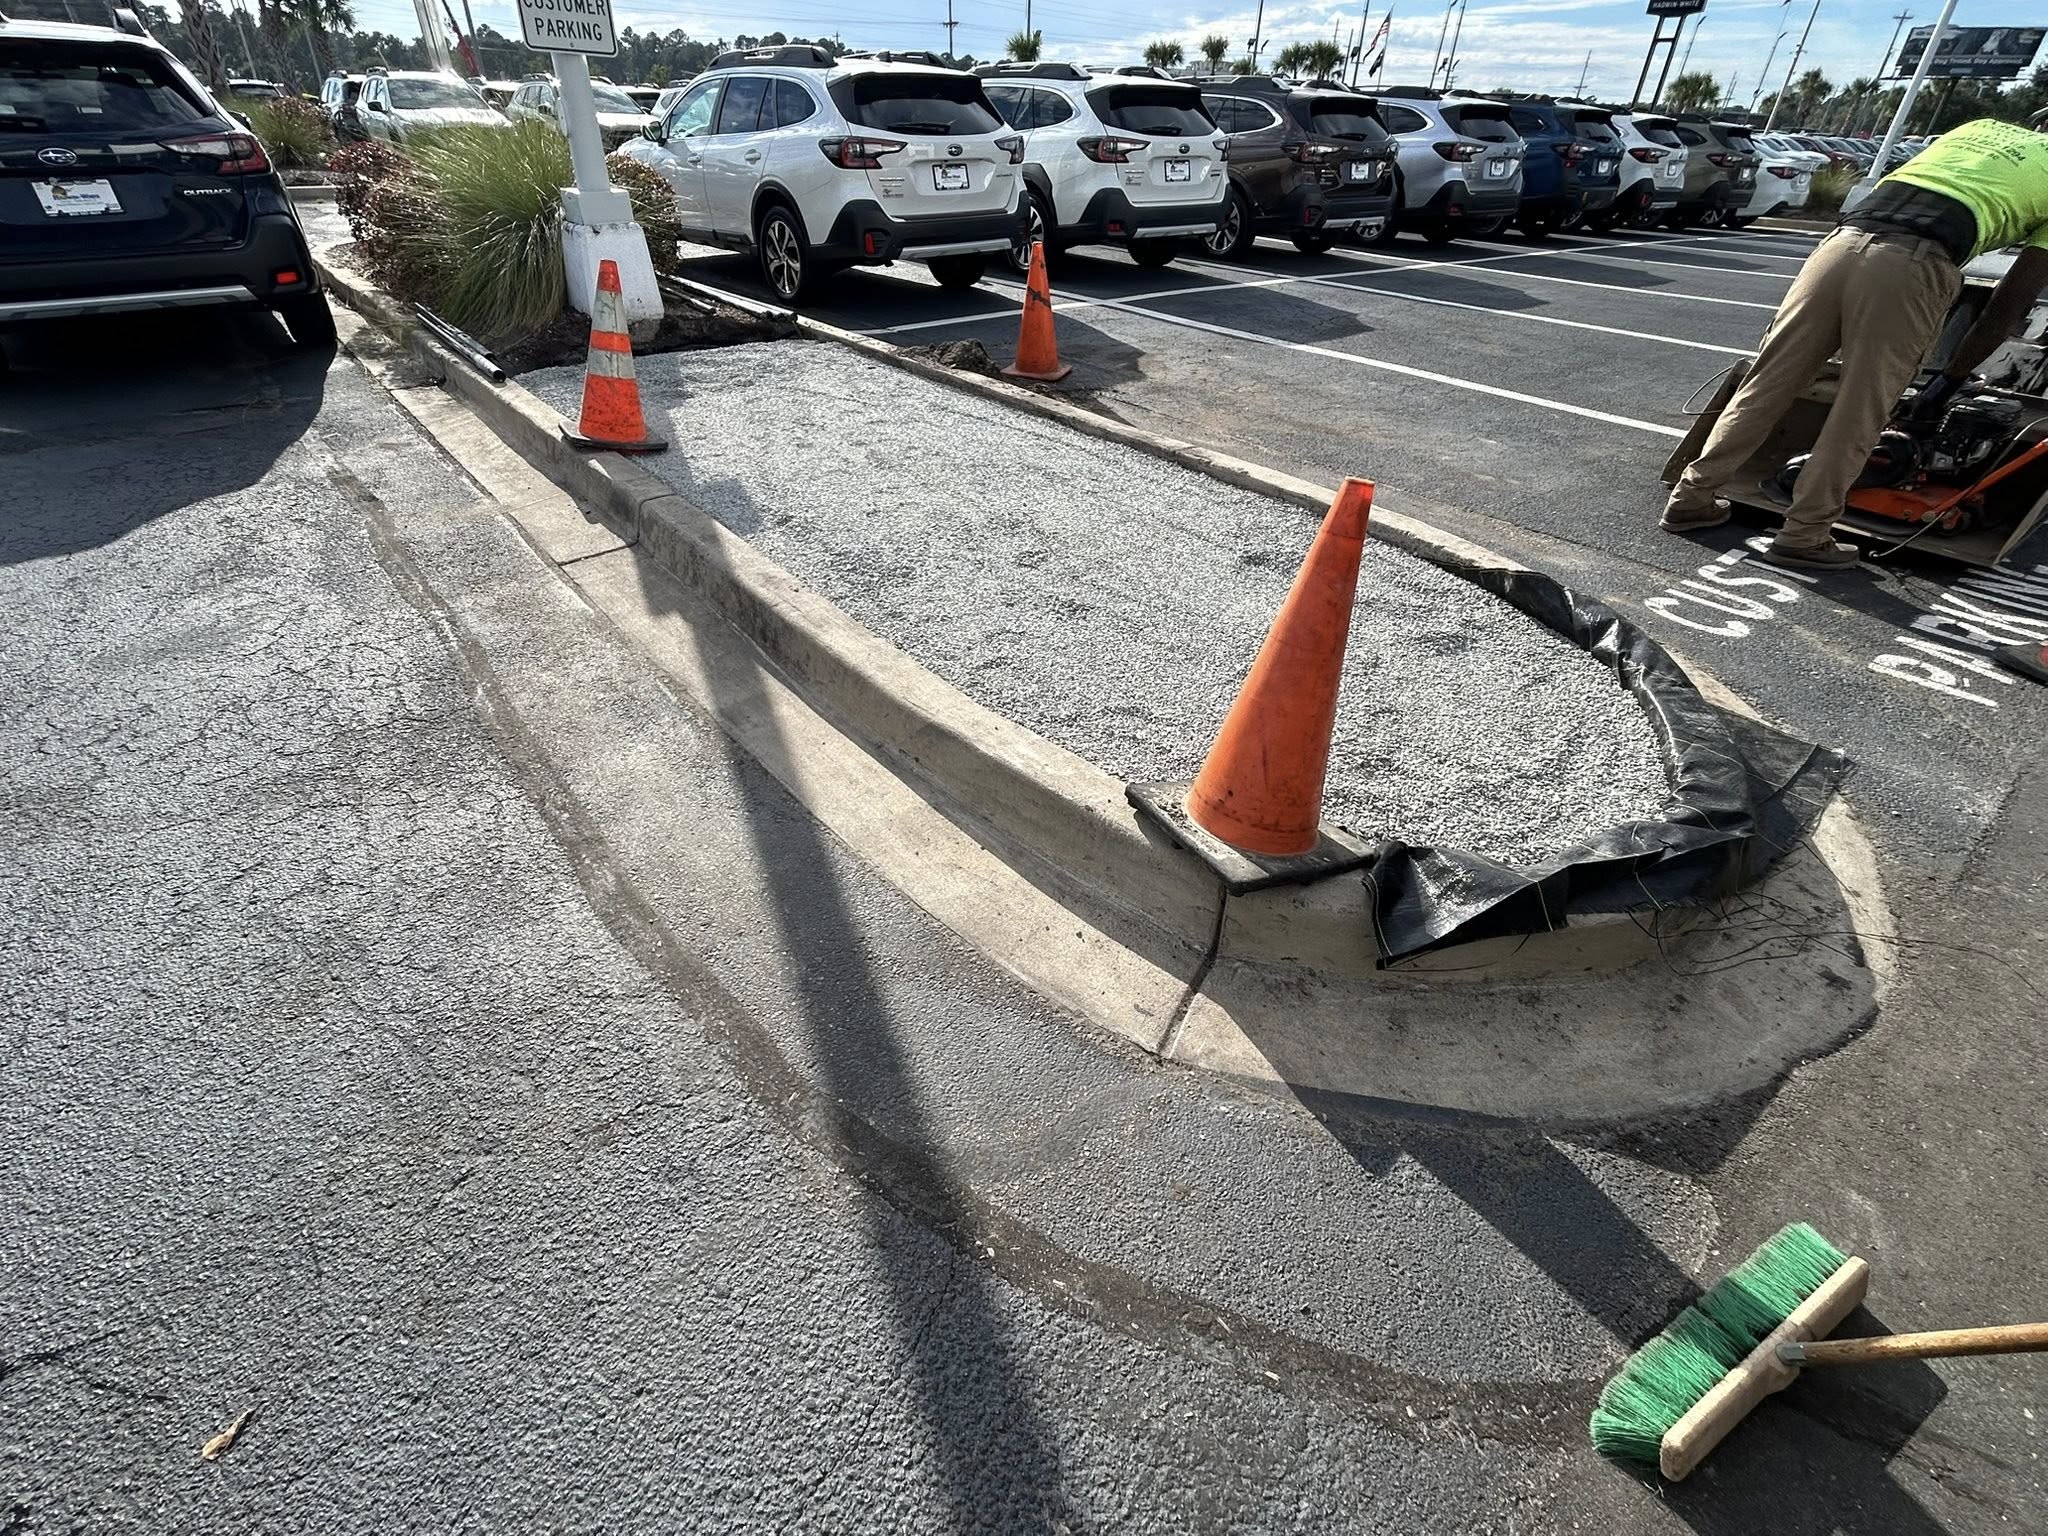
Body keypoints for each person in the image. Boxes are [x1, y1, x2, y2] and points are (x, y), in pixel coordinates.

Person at [1662, 113, 2048, 568]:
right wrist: (1951, 377)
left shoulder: (1978, 128)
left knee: (1767, 384)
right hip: (1914, 262)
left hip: (1838, 245)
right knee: (1861, 407)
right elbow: (2010, 302)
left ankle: (1691, 496)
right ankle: (1805, 533)